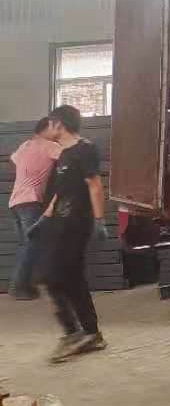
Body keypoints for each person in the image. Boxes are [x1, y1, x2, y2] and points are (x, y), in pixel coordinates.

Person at [38, 105, 107, 361]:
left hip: (77, 224)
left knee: (57, 276)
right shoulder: (63, 154)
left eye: (50, 122)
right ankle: (89, 333)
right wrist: (46, 216)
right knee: (67, 278)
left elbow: (94, 185)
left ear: (59, 124)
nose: (48, 127)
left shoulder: (84, 149)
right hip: (60, 224)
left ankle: (77, 332)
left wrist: (99, 220)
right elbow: (61, 191)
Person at [8, 116, 61, 300]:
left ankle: (24, 285)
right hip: (30, 201)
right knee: (32, 244)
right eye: (55, 127)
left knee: (25, 245)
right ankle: (19, 286)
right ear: (45, 129)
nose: (57, 131)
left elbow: (13, 158)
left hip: (15, 202)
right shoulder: (50, 146)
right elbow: (70, 155)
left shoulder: (24, 146)